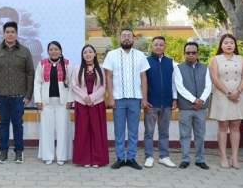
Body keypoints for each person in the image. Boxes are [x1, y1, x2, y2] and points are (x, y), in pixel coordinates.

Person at [0, 21, 35, 164]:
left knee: (18, 125)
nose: (10, 34)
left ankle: (19, 152)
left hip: (19, 97)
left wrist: (28, 95)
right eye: (7, 32)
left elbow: (30, 73)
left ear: (17, 34)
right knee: (3, 124)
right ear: (3, 33)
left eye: (13, 32)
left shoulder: (25, 51)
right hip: (0, 97)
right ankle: (3, 152)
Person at [103, 29, 150, 170]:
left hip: (135, 98)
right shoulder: (111, 55)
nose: (126, 38)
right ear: (120, 38)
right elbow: (109, 77)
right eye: (124, 36)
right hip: (118, 99)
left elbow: (143, 78)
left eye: (129, 36)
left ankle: (131, 158)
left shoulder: (141, 55)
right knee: (119, 130)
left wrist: (144, 98)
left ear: (133, 39)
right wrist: (110, 97)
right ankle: (119, 157)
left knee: (134, 130)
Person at [208, 33, 243, 169]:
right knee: (223, 126)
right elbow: (215, 78)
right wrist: (228, 92)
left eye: (231, 42)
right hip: (222, 95)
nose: (229, 45)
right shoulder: (215, 59)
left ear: (235, 45)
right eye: (226, 43)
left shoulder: (241, 59)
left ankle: (235, 157)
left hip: (238, 95)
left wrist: (237, 91)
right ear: (221, 45)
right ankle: (223, 157)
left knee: (236, 126)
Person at [173, 41, 212, 169]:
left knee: (200, 134)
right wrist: (194, 100)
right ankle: (185, 159)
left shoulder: (205, 68)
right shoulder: (178, 68)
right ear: (184, 54)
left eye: (193, 53)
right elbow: (180, 87)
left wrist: (201, 100)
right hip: (185, 108)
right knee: (185, 135)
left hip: (201, 108)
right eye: (188, 53)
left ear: (197, 53)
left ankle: (200, 159)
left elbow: (208, 86)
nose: (190, 55)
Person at [34, 41, 72, 165]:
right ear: (48, 51)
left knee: (63, 129)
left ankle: (61, 156)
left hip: (63, 103)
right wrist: (38, 100)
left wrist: (70, 100)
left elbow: (72, 84)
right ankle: (48, 156)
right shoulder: (42, 63)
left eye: (56, 49)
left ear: (60, 51)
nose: (54, 51)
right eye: (51, 49)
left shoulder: (67, 64)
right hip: (46, 103)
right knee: (46, 130)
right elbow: (37, 83)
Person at [71, 44, 109, 167]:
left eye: (90, 52)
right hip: (82, 104)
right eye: (85, 52)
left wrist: (92, 97)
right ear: (82, 55)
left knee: (97, 132)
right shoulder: (77, 68)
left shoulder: (101, 69)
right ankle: (84, 159)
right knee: (83, 132)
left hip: (97, 104)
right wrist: (85, 97)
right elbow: (74, 85)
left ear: (94, 54)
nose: (87, 54)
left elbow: (104, 86)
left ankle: (98, 160)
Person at [143, 36, 177, 168]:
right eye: (156, 44)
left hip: (167, 103)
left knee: (164, 132)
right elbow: (142, 82)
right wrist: (144, 100)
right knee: (149, 132)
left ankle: (164, 156)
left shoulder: (171, 62)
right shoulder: (146, 62)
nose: (158, 46)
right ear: (152, 46)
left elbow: (174, 82)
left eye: (161, 45)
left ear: (165, 46)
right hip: (151, 103)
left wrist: (174, 99)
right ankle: (149, 156)